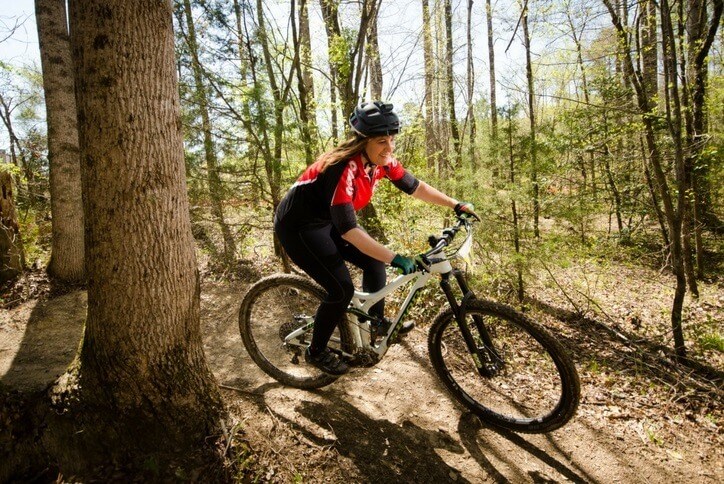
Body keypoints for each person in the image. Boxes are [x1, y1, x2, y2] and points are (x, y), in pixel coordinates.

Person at [274, 101, 477, 375]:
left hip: (327, 220)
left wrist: (455, 204)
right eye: (382, 141)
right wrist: (397, 258)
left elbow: (416, 187)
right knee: (340, 289)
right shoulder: (342, 168)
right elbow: (349, 230)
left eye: (391, 140)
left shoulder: (380, 161)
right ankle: (316, 351)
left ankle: (375, 321)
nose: (389, 148)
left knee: (374, 262)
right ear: (363, 142)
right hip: (298, 227)